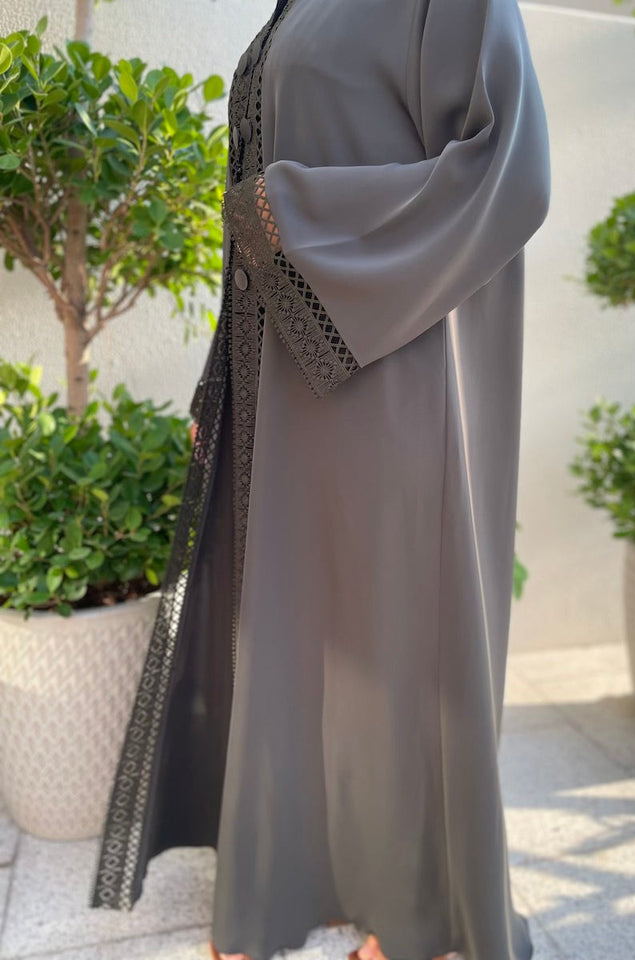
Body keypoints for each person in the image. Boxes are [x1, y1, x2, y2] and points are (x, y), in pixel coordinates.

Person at [89, 1, 551, 960]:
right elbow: (259, 189)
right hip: (277, 376)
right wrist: (221, 369)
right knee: (291, 640)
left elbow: (508, 170)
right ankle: (274, 892)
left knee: (393, 645)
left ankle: (416, 919)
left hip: (389, 377)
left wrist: (292, 217)